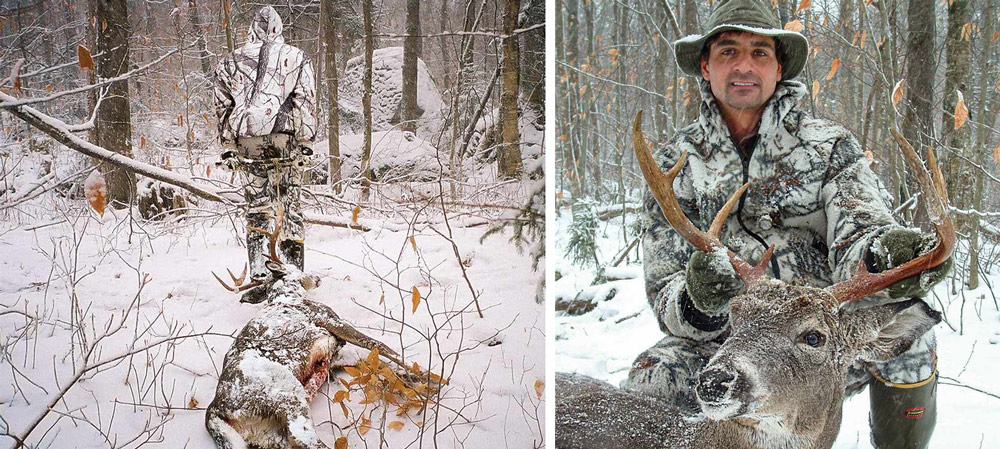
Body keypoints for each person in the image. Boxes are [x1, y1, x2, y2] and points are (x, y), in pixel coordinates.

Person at [622, 1, 951, 448]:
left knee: (911, 341)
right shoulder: (673, 164)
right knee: (650, 382)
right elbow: (664, 292)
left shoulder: (829, 147)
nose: (744, 66)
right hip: (728, 343)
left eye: (760, 53)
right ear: (705, 65)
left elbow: (860, 232)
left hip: (817, 342)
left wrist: (884, 253)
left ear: (779, 68)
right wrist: (698, 299)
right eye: (728, 52)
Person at [214, 6, 316, 285]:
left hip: (248, 143)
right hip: (286, 141)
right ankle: (292, 270)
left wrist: (228, 145)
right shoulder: (296, 57)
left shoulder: (230, 61)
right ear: (278, 29)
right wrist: (305, 141)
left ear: (251, 29)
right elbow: (304, 101)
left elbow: (223, 106)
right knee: (290, 204)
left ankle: (259, 269)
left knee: (257, 205)